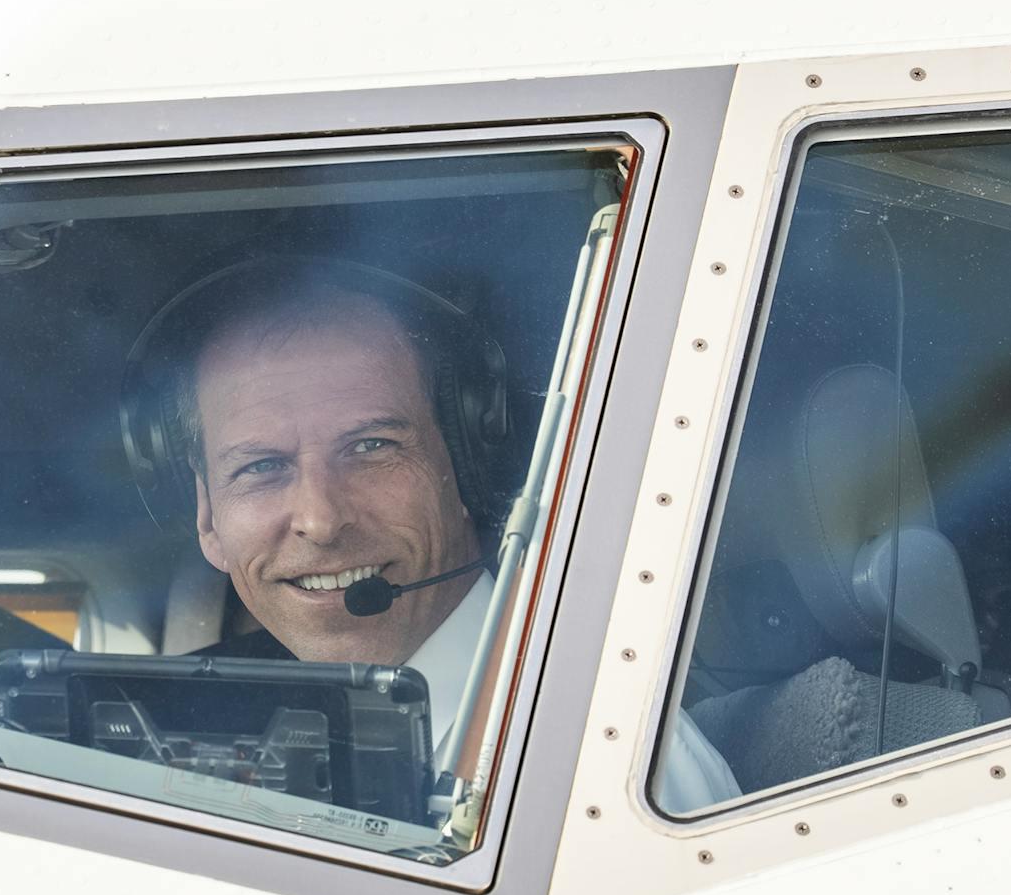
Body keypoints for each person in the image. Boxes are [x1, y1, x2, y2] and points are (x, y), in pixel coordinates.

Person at [149, 259, 739, 809]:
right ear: (209, 520)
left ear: (466, 470)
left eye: (371, 447)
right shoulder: (177, 749)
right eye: (260, 467)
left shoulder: (612, 761)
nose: (321, 520)